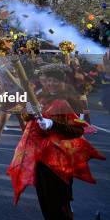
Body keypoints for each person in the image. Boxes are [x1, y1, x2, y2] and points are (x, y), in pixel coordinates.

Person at [8, 63, 105, 220]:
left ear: (62, 81)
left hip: (61, 161)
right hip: (41, 159)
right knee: (45, 201)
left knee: (60, 202)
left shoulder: (73, 101)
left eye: (54, 81)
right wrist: (28, 113)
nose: (50, 84)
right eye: (47, 81)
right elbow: (30, 124)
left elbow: (78, 130)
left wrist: (53, 124)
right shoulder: (41, 98)